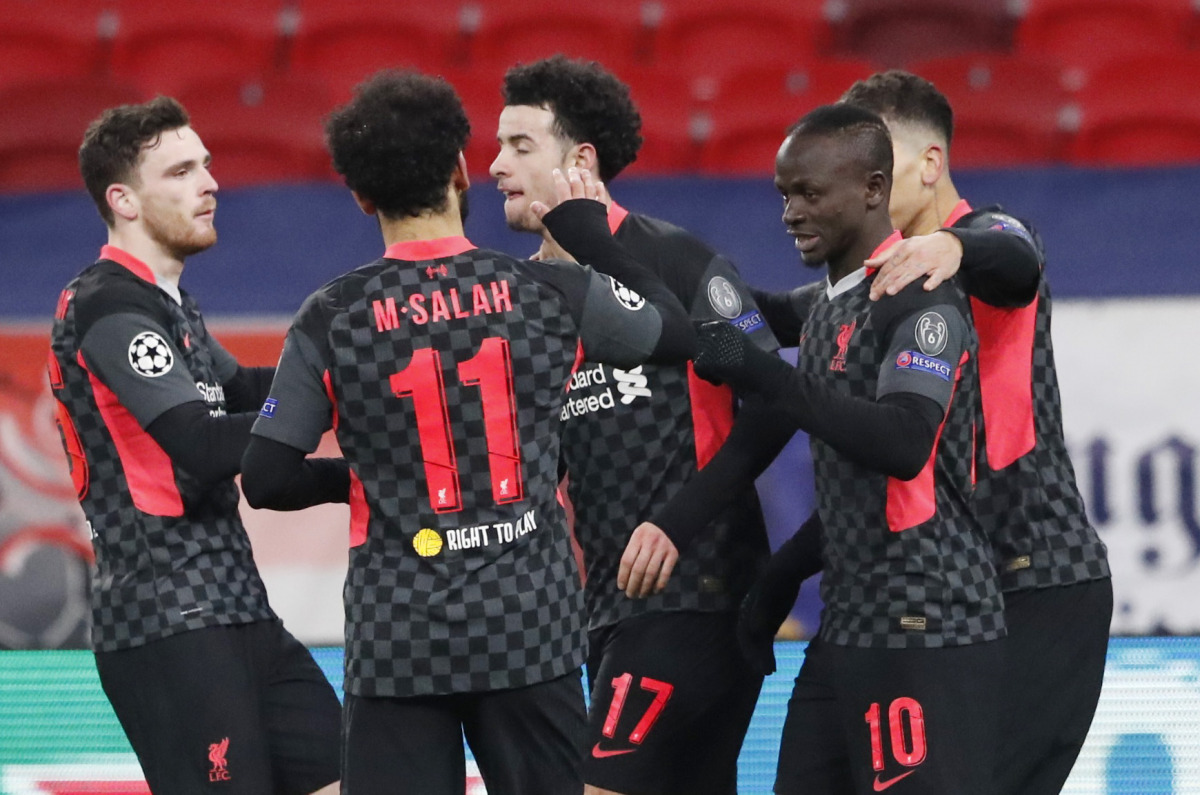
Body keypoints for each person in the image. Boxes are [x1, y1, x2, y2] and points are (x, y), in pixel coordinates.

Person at [238, 70, 695, 795]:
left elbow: (264, 478)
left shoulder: (332, 315)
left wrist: (366, 479)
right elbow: (673, 331)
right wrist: (592, 237)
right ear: (458, 169)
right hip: (530, 629)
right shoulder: (550, 294)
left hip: (398, 641)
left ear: (360, 196)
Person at [693, 103, 1005, 795]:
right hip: (849, 625)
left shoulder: (921, 296)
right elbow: (747, 323)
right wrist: (670, 286)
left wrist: (766, 373)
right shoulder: (832, 300)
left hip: (927, 625)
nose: (791, 212)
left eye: (809, 193)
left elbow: (903, 440)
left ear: (871, 188)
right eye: (783, 194)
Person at [489, 55, 779, 795]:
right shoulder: (524, 295)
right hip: (606, 609)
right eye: (498, 146)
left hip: (700, 589)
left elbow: (771, 391)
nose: (495, 166)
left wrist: (678, 522)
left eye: (521, 146)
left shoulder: (677, 258)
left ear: (580, 160)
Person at [47, 97, 341, 794]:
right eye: (181, 171)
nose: (209, 183)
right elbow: (204, 445)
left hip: (241, 611)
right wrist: (336, 423)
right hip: (169, 626)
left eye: (206, 165)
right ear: (122, 200)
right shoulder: (107, 304)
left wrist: (361, 376)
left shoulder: (168, 303)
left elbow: (248, 390)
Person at [842, 70, 1113, 795]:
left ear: (930, 163)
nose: (859, 182)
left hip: (1040, 578)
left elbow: (1014, 253)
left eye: (877, 159)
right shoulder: (889, 281)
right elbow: (780, 316)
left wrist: (953, 247)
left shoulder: (984, 238)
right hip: (955, 599)